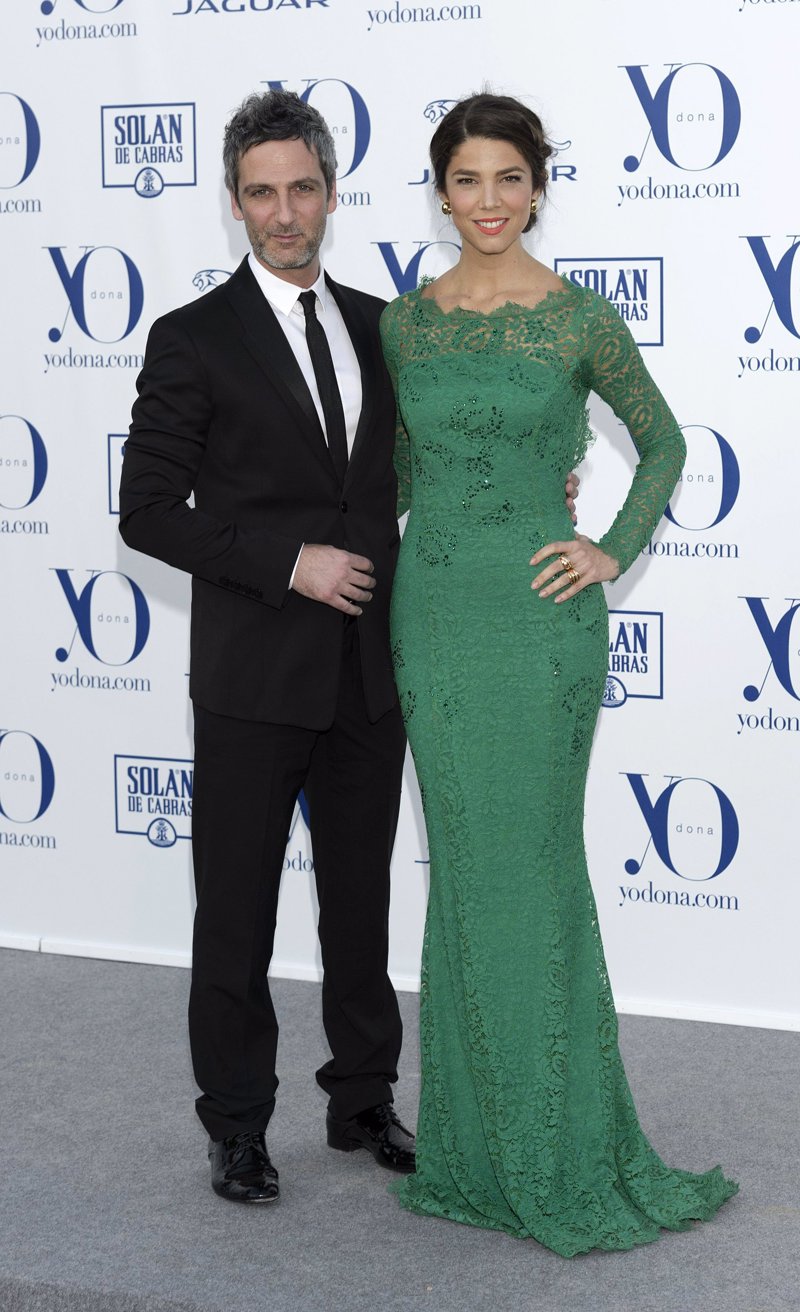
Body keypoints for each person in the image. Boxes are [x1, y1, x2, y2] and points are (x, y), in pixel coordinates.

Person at [379, 93, 738, 1256]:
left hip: (541, 627)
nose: (487, 200)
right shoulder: (402, 324)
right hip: (435, 617)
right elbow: (397, 469)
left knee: (531, 866)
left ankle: (559, 1146)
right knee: (463, 871)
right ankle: (473, 1153)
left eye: (508, 177)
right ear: (439, 192)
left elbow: (665, 442)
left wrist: (606, 547)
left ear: (538, 188)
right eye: (465, 179)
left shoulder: (580, 318)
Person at [118, 90, 417, 1203]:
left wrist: (536, 487)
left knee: (360, 903)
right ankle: (238, 1125)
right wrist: (289, 562)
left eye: (301, 189)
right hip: (252, 673)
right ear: (234, 202)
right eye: (261, 193)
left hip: (368, 672)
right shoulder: (192, 336)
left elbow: (425, 471)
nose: (283, 213)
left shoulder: (387, 327)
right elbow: (147, 512)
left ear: (331, 193)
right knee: (236, 913)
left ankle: (362, 1099)